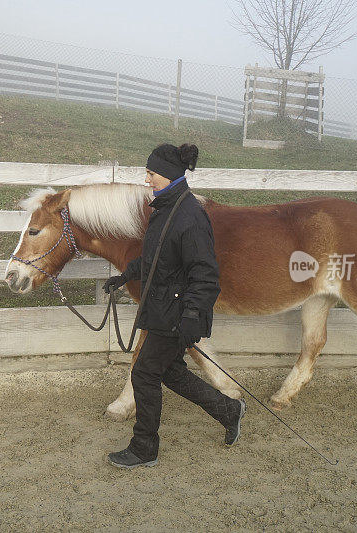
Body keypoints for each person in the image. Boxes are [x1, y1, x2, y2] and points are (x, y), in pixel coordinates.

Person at [103, 143, 246, 469]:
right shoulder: (166, 209)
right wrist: (125, 276)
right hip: (165, 308)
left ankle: (144, 448)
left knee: (144, 373)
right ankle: (230, 410)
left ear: (167, 175)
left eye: (151, 173)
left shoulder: (189, 217)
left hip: (177, 314)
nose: (147, 179)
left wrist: (194, 313)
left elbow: (206, 274)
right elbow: (156, 261)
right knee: (171, 374)